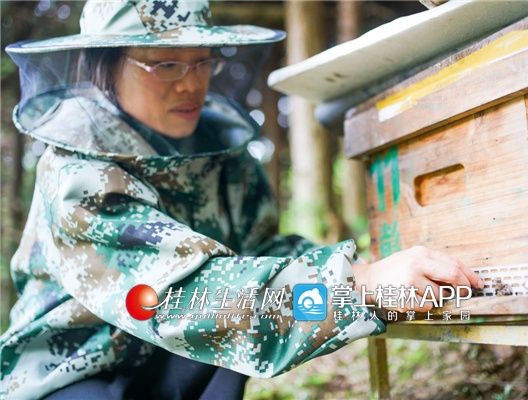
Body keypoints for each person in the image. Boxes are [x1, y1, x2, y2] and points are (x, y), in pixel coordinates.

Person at [1, 1, 484, 399]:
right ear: (104, 67)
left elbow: (264, 254)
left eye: (204, 59)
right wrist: (355, 287)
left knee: (226, 348)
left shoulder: (224, 156)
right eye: (165, 63)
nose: (192, 82)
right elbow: (178, 301)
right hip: (71, 372)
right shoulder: (76, 175)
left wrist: (370, 266)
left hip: (174, 367)